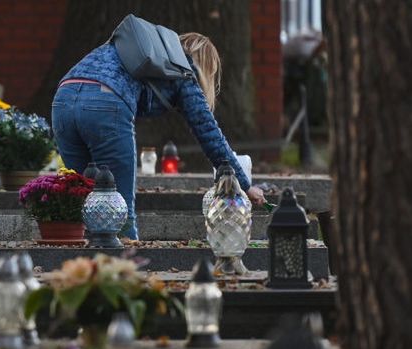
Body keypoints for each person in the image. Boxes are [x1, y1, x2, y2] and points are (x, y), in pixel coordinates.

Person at [52, 30, 266, 240]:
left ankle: (81, 267)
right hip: (106, 104)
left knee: (82, 196)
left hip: (62, 98)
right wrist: (244, 184)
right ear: (205, 65)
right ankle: (126, 268)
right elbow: (208, 131)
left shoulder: (148, 53)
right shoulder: (184, 69)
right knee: (120, 207)